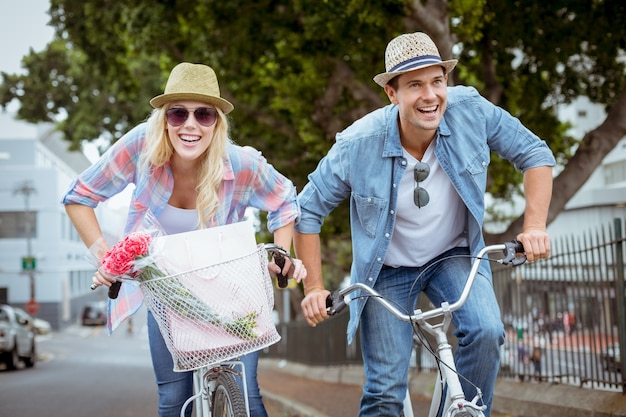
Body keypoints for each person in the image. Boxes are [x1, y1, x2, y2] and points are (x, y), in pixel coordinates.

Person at [294, 32, 554, 417]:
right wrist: (314, 287)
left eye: (437, 81)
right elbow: (307, 210)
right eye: (414, 84)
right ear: (392, 94)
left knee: (486, 331)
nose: (430, 95)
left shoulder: (471, 110)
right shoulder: (357, 143)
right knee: (384, 391)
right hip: (386, 272)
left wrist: (534, 226)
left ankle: (466, 409)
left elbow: (534, 152)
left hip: (452, 255)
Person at [62, 62, 306, 417]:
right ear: (164, 119)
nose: (190, 125)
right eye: (178, 114)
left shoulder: (240, 163)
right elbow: (79, 196)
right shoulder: (140, 149)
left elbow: (285, 198)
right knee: (174, 401)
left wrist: (281, 252)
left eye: (204, 114)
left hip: (233, 290)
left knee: (247, 395)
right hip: (169, 292)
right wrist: (107, 257)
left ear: (217, 123)